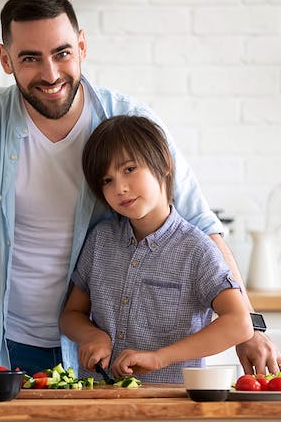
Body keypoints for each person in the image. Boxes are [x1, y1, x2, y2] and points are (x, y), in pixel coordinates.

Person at [0, 0, 281, 377]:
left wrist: (251, 328)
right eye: (30, 58)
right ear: (5, 59)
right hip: (4, 347)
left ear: (81, 46)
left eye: (62, 53)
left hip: (96, 361)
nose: (50, 74)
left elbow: (199, 221)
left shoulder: (129, 121)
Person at [59, 115, 254, 383]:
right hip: (101, 404)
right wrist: (92, 335)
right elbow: (71, 315)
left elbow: (239, 323)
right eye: (107, 180)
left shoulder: (197, 249)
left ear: (164, 164)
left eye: (129, 169)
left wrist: (159, 358)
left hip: (169, 406)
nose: (120, 188)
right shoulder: (100, 241)